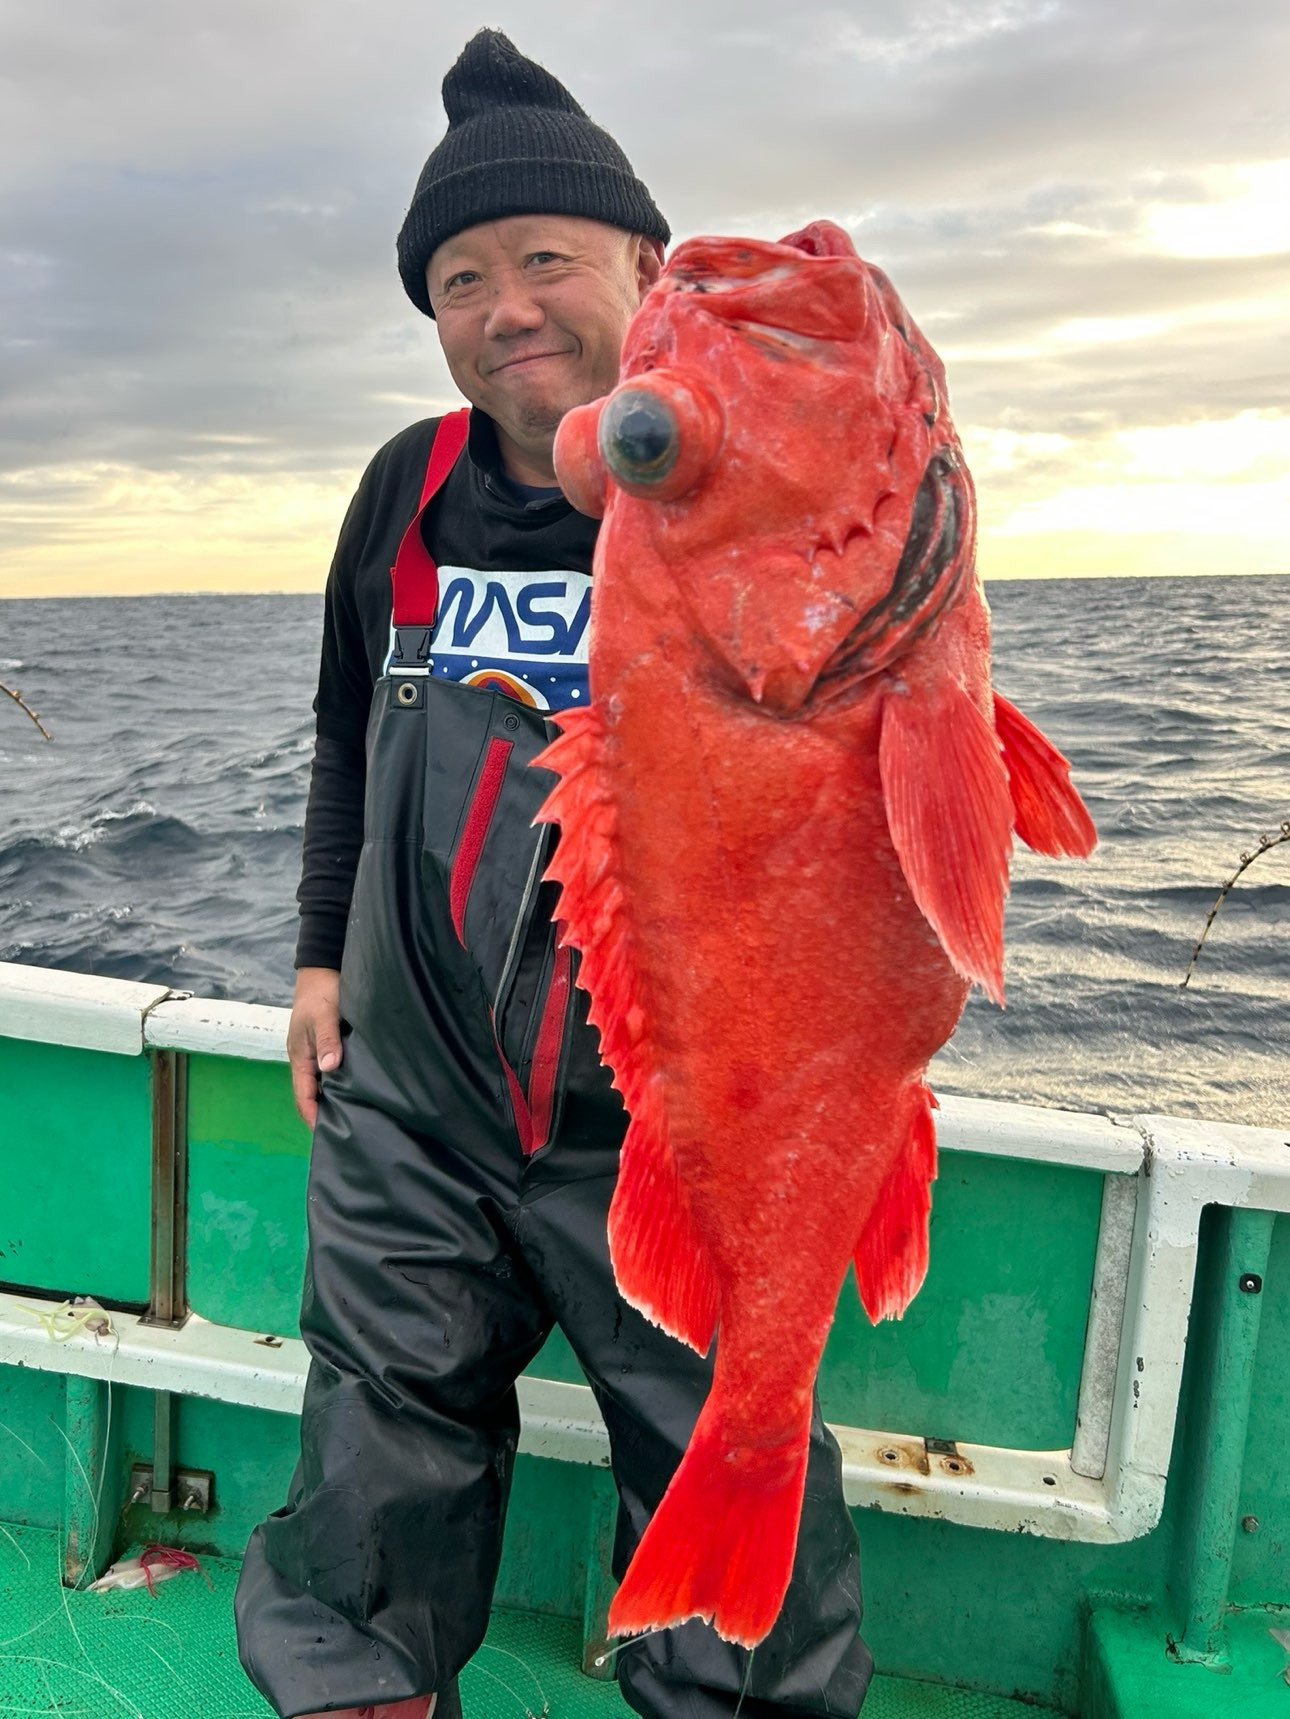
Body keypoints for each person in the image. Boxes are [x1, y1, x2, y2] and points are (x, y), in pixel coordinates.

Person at [235, 29, 873, 1719]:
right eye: (459, 280)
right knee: (368, 1483)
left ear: (648, 273)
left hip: (671, 1119)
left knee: (734, 1474)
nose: (504, 307)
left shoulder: (747, 496)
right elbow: (346, 734)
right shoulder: (407, 489)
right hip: (411, 1109)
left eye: (544, 259)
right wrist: (316, 960)